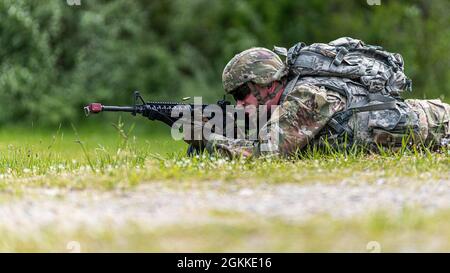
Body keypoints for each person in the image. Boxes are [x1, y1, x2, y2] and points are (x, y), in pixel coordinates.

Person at [195, 39, 450, 158]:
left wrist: (206, 139)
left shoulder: (307, 96)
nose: (240, 103)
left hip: (441, 125)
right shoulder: (296, 94)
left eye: (243, 93)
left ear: (267, 82)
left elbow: (266, 154)